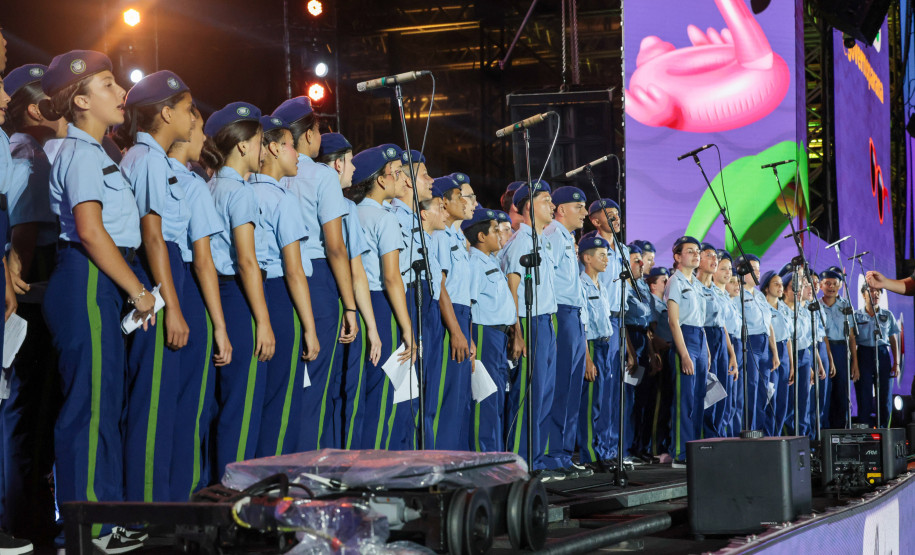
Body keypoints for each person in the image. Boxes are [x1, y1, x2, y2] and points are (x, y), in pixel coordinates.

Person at [41, 50, 152, 552]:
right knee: (88, 407)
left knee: (105, 402)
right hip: (88, 277)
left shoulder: (99, 152)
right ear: (81, 100)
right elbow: (89, 230)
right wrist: (138, 290)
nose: (121, 92)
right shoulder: (82, 154)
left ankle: (102, 517)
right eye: (108, 84)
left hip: (100, 278)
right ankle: (87, 528)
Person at [117, 70, 198, 503]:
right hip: (158, 278)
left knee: (165, 399)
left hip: (165, 273)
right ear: (165, 113)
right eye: (186, 108)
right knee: (153, 401)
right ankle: (146, 508)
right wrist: (174, 309)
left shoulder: (154, 159)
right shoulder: (146, 160)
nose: (192, 117)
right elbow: (153, 237)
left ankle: (159, 502)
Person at [0, 62, 64, 544]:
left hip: (43, 289)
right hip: (32, 293)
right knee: (27, 407)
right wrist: (19, 290)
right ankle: (23, 517)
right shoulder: (27, 154)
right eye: (50, 99)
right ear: (34, 107)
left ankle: (32, 512)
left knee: (39, 407)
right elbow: (22, 236)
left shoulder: (42, 152)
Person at [272, 97, 358, 449]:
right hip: (317, 276)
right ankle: (308, 469)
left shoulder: (271, 170)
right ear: (307, 135)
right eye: (318, 129)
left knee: (288, 381)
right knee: (316, 379)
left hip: (278, 275)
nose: (321, 135)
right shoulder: (321, 174)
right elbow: (335, 247)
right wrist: (349, 305)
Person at [202, 101, 275, 477]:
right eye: (261, 141)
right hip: (238, 295)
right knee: (242, 404)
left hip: (216, 293)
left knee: (221, 403)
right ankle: (237, 494)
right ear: (243, 145)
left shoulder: (210, 186)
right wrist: (263, 321)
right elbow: (247, 261)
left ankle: (218, 486)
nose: (264, 150)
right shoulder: (240, 191)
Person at [165, 105, 231, 498]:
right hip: (188, 285)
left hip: (158, 286)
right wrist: (219, 327)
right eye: (199, 128)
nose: (204, 138)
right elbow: (204, 261)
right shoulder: (191, 184)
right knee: (193, 403)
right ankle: (184, 494)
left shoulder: (137, 166)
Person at [249, 115, 320, 456]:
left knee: (257, 401)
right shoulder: (282, 199)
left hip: (249, 292)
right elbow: (293, 270)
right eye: (292, 147)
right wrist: (310, 327)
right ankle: (274, 488)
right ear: (275, 148)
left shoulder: (245, 190)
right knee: (282, 401)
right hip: (278, 295)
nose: (297, 155)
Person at [346, 145, 416, 449]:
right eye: (396, 172)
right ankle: (375, 466)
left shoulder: (351, 211)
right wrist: (407, 329)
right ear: (381, 180)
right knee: (383, 392)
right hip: (380, 304)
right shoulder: (385, 218)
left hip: (353, 302)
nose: (402, 177)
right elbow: (392, 277)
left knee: (356, 391)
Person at [316, 132, 380, 449]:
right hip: (337, 301)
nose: (353, 169)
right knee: (345, 389)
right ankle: (345, 464)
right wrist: (361, 317)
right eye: (351, 161)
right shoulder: (343, 206)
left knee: (315, 393)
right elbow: (354, 270)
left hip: (310, 295)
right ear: (338, 162)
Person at [500, 180, 557, 474]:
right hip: (529, 321)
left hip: (545, 320)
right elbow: (513, 286)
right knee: (528, 394)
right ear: (528, 206)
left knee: (544, 394)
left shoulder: (539, 239)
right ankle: (519, 462)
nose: (552, 205)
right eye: (546, 200)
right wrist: (517, 332)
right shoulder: (521, 240)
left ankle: (535, 459)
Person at [542, 186, 592, 476]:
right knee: (560, 386)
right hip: (560, 311)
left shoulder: (566, 238)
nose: (584, 212)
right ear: (561, 209)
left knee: (573, 389)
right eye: (579, 207)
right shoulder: (552, 235)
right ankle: (550, 453)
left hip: (573, 313)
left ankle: (562, 452)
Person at [426, 176, 474, 450]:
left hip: (461, 314)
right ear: (443, 202)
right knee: (443, 393)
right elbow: (441, 285)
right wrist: (456, 332)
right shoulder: (442, 234)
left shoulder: (457, 235)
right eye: (459, 197)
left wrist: (467, 333)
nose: (465, 202)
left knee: (459, 396)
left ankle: (455, 457)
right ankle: (441, 458)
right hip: (448, 316)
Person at [463, 208, 515, 452]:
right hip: (483, 333)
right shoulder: (475, 261)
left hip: (498, 335)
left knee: (497, 399)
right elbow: (469, 305)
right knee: (485, 398)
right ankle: (482, 455)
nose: (500, 235)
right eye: (495, 230)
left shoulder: (491, 260)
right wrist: (470, 338)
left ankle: (494, 452)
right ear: (481, 236)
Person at [664, 236, 708, 467]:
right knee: (685, 399)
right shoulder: (675, 282)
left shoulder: (697, 284)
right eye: (690, 251)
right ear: (677, 257)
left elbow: (701, 321)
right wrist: (684, 354)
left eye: (697, 251)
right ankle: (680, 452)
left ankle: (695, 447)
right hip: (685, 339)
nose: (696, 254)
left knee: (699, 397)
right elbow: (674, 321)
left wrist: (707, 351)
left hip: (699, 339)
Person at [577, 235, 614, 469]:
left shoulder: (602, 286)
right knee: (590, 402)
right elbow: (583, 324)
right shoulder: (580, 284)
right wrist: (588, 359)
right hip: (590, 345)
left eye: (607, 255)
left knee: (603, 401)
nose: (606, 260)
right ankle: (589, 454)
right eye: (601, 255)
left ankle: (602, 450)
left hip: (605, 343)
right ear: (586, 258)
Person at [695, 243, 737, 439]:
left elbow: (722, 325)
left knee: (721, 392)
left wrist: (731, 354)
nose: (714, 260)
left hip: (720, 337)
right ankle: (706, 436)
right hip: (704, 337)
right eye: (709, 256)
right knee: (707, 390)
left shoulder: (717, 291)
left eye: (716, 258)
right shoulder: (693, 286)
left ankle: (717, 434)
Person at [734, 254, 778, 432]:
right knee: (750, 389)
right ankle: (748, 430)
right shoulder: (737, 294)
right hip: (749, 342)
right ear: (741, 271)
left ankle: (759, 431)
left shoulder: (760, 296)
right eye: (753, 268)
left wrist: (774, 352)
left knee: (763, 391)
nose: (758, 272)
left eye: (759, 268)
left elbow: (769, 325)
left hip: (764, 346)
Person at [853, 285, 899, 428]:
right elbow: (852, 339)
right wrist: (854, 364)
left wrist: (896, 362)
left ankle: (884, 429)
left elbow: (893, 339)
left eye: (878, 292)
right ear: (863, 295)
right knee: (864, 395)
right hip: (863, 354)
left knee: (884, 396)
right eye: (871, 291)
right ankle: (864, 430)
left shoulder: (887, 315)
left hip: (882, 353)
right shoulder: (856, 315)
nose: (875, 294)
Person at [820, 267, 859, 428]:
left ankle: (841, 431)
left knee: (842, 394)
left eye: (834, 283)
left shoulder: (845, 305)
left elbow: (851, 336)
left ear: (840, 286)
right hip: (823, 350)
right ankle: (824, 432)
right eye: (827, 283)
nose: (831, 287)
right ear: (821, 285)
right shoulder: (816, 306)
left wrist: (855, 362)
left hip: (843, 351)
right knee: (825, 394)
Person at [781, 272, 818, 437]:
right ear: (785, 290)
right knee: (790, 402)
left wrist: (809, 365)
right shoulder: (781, 309)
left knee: (804, 401)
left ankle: (804, 439)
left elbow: (808, 340)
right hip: (789, 355)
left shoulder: (803, 310)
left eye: (801, 287)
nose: (798, 291)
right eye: (793, 287)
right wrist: (791, 364)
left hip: (804, 355)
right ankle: (791, 438)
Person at [646, 265, 673, 458]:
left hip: (668, 352)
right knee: (657, 404)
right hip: (659, 354)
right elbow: (651, 332)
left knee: (666, 402)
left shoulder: (664, 303)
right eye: (663, 280)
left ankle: (660, 445)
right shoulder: (652, 303)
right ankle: (653, 447)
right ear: (652, 285)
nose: (667, 283)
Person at [760, 271, 792, 436]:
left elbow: (788, 338)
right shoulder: (762, 306)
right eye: (776, 284)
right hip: (771, 352)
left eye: (781, 284)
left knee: (782, 401)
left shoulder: (785, 309)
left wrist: (792, 364)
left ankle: (777, 436)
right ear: (766, 288)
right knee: (769, 398)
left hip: (785, 354)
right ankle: (767, 436)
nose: (781, 287)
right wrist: (775, 354)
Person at [713, 251, 741, 436]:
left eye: (729, 269)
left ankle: (727, 436)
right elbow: (722, 326)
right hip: (721, 342)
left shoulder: (727, 297)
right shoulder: (713, 292)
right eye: (723, 268)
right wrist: (731, 353)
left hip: (731, 343)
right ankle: (719, 437)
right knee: (718, 395)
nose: (728, 272)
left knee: (731, 398)